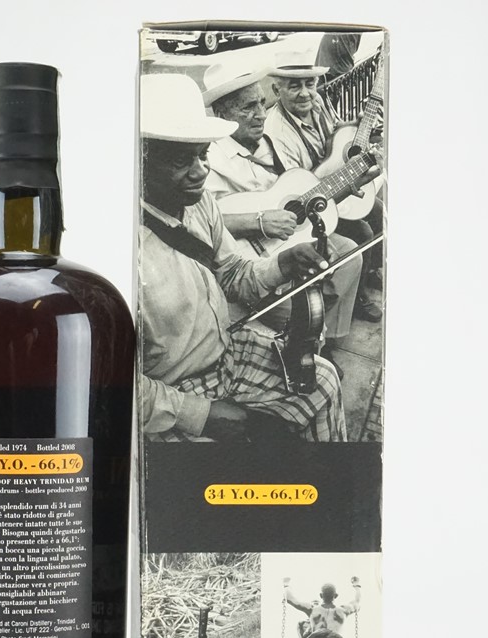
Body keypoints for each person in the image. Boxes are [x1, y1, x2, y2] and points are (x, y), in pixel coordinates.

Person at [138, 73, 347, 442]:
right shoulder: (124, 248)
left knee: (324, 379)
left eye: (203, 155)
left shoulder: (199, 203)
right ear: (140, 162)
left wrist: (283, 264)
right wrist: (199, 414)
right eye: (180, 161)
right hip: (169, 392)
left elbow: (233, 276)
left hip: (224, 353)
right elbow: (110, 381)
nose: (201, 172)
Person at [201, 63, 363, 360]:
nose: (261, 114)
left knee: (350, 254)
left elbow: (298, 196)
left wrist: (349, 181)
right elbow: (203, 220)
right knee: (295, 312)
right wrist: (259, 222)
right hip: (251, 262)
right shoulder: (209, 159)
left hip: (288, 239)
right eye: (248, 107)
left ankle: (324, 341)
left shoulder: (267, 143)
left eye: (262, 103)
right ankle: (305, 340)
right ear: (222, 113)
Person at [263, 52, 386, 322]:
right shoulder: (276, 133)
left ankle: (367, 274)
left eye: (310, 83)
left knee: (379, 211)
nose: (305, 93)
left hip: (335, 178)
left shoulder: (317, 100)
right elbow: (299, 188)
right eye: (294, 85)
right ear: (276, 89)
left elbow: (334, 132)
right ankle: (356, 297)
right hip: (313, 203)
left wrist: (356, 125)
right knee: (362, 232)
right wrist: (346, 182)